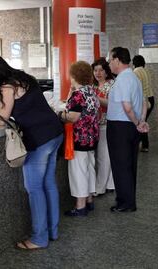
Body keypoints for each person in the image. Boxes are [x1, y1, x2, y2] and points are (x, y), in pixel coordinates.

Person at [0, 51, 63, 250]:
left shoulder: (6, 86)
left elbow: (1, 120)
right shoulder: (22, 78)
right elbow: (10, 109)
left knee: (34, 188)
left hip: (39, 139)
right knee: (48, 183)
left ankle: (39, 238)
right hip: (55, 133)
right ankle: (52, 231)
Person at [107, 47, 148, 213]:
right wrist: (141, 121)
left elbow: (127, 106)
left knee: (121, 165)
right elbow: (145, 102)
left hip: (120, 127)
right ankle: (128, 200)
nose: (109, 63)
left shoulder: (123, 79)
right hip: (130, 127)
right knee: (129, 165)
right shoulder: (134, 77)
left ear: (117, 60)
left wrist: (137, 121)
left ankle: (125, 203)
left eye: (110, 60)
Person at [59, 61, 100, 217]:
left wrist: (60, 114)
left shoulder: (78, 95)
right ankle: (89, 200)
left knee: (79, 172)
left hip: (79, 139)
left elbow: (73, 117)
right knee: (89, 168)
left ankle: (80, 206)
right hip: (92, 137)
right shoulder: (90, 91)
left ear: (73, 75)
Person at [91, 57, 115, 195]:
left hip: (107, 124)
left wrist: (96, 99)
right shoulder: (93, 86)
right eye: (95, 70)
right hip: (95, 126)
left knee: (103, 157)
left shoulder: (111, 84)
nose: (98, 73)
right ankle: (109, 184)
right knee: (104, 157)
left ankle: (100, 187)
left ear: (107, 72)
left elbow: (112, 103)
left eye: (101, 70)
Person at [133, 55, 155, 152]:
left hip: (143, 100)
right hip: (151, 98)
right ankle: (144, 145)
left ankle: (141, 144)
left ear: (134, 63)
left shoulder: (136, 71)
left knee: (140, 123)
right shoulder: (146, 71)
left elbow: (135, 88)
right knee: (143, 121)